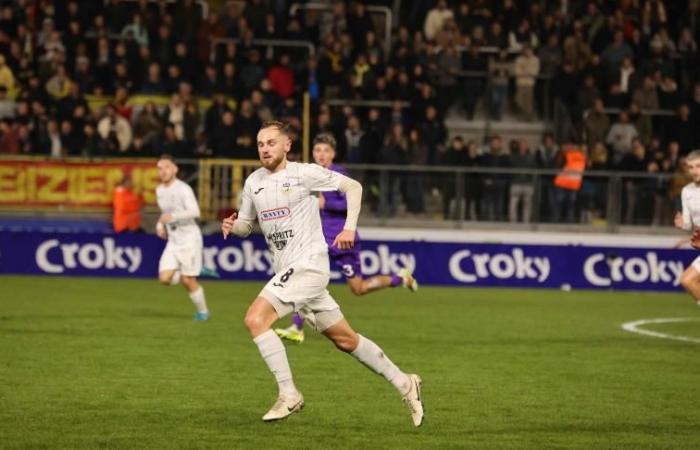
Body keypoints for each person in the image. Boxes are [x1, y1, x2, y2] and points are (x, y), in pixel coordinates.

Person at [221, 121, 424, 426]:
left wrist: (349, 228)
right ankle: (406, 383)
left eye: (271, 142)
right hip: (290, 270)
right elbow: (248, 225)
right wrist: (233, 226)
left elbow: (352, 187)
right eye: (261, 143)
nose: (265, 148)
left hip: (309, 266)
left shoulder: (304, 173)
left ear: (287, 145)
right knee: (345, 339)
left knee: (255, 319)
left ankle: (289, 394)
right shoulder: (253, 183)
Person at [275, 133, 418, 343]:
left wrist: (327, 205)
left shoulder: (338, 175)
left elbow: (351, 202)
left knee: (358, 288)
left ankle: (401, 278)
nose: (321, 154)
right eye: (317, 150)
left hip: (343, 240)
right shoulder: (310, 174)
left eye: (326, 151)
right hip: (320, 242)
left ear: (333, 154)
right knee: (304, 279)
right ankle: (297, 328)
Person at [155, 154, 211, 321]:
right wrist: (160, 226)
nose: (163, 171)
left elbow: (195, 212)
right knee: (164, 279)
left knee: (187, 281)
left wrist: (173, 216)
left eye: (166, 167)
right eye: (160, 168)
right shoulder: (159, 190)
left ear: (175, 169)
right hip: (174, 240)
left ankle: (204, 312)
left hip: (189, 239)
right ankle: (194, 268)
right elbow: (164, 214)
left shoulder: (183, 189)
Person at [676, 150, 700, 308]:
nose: (694, 171)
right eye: (690, 167)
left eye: (698, 166)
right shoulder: (687, 191)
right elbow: (689, 224)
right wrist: (682, 224)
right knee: (687, 280)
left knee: (688, 279)